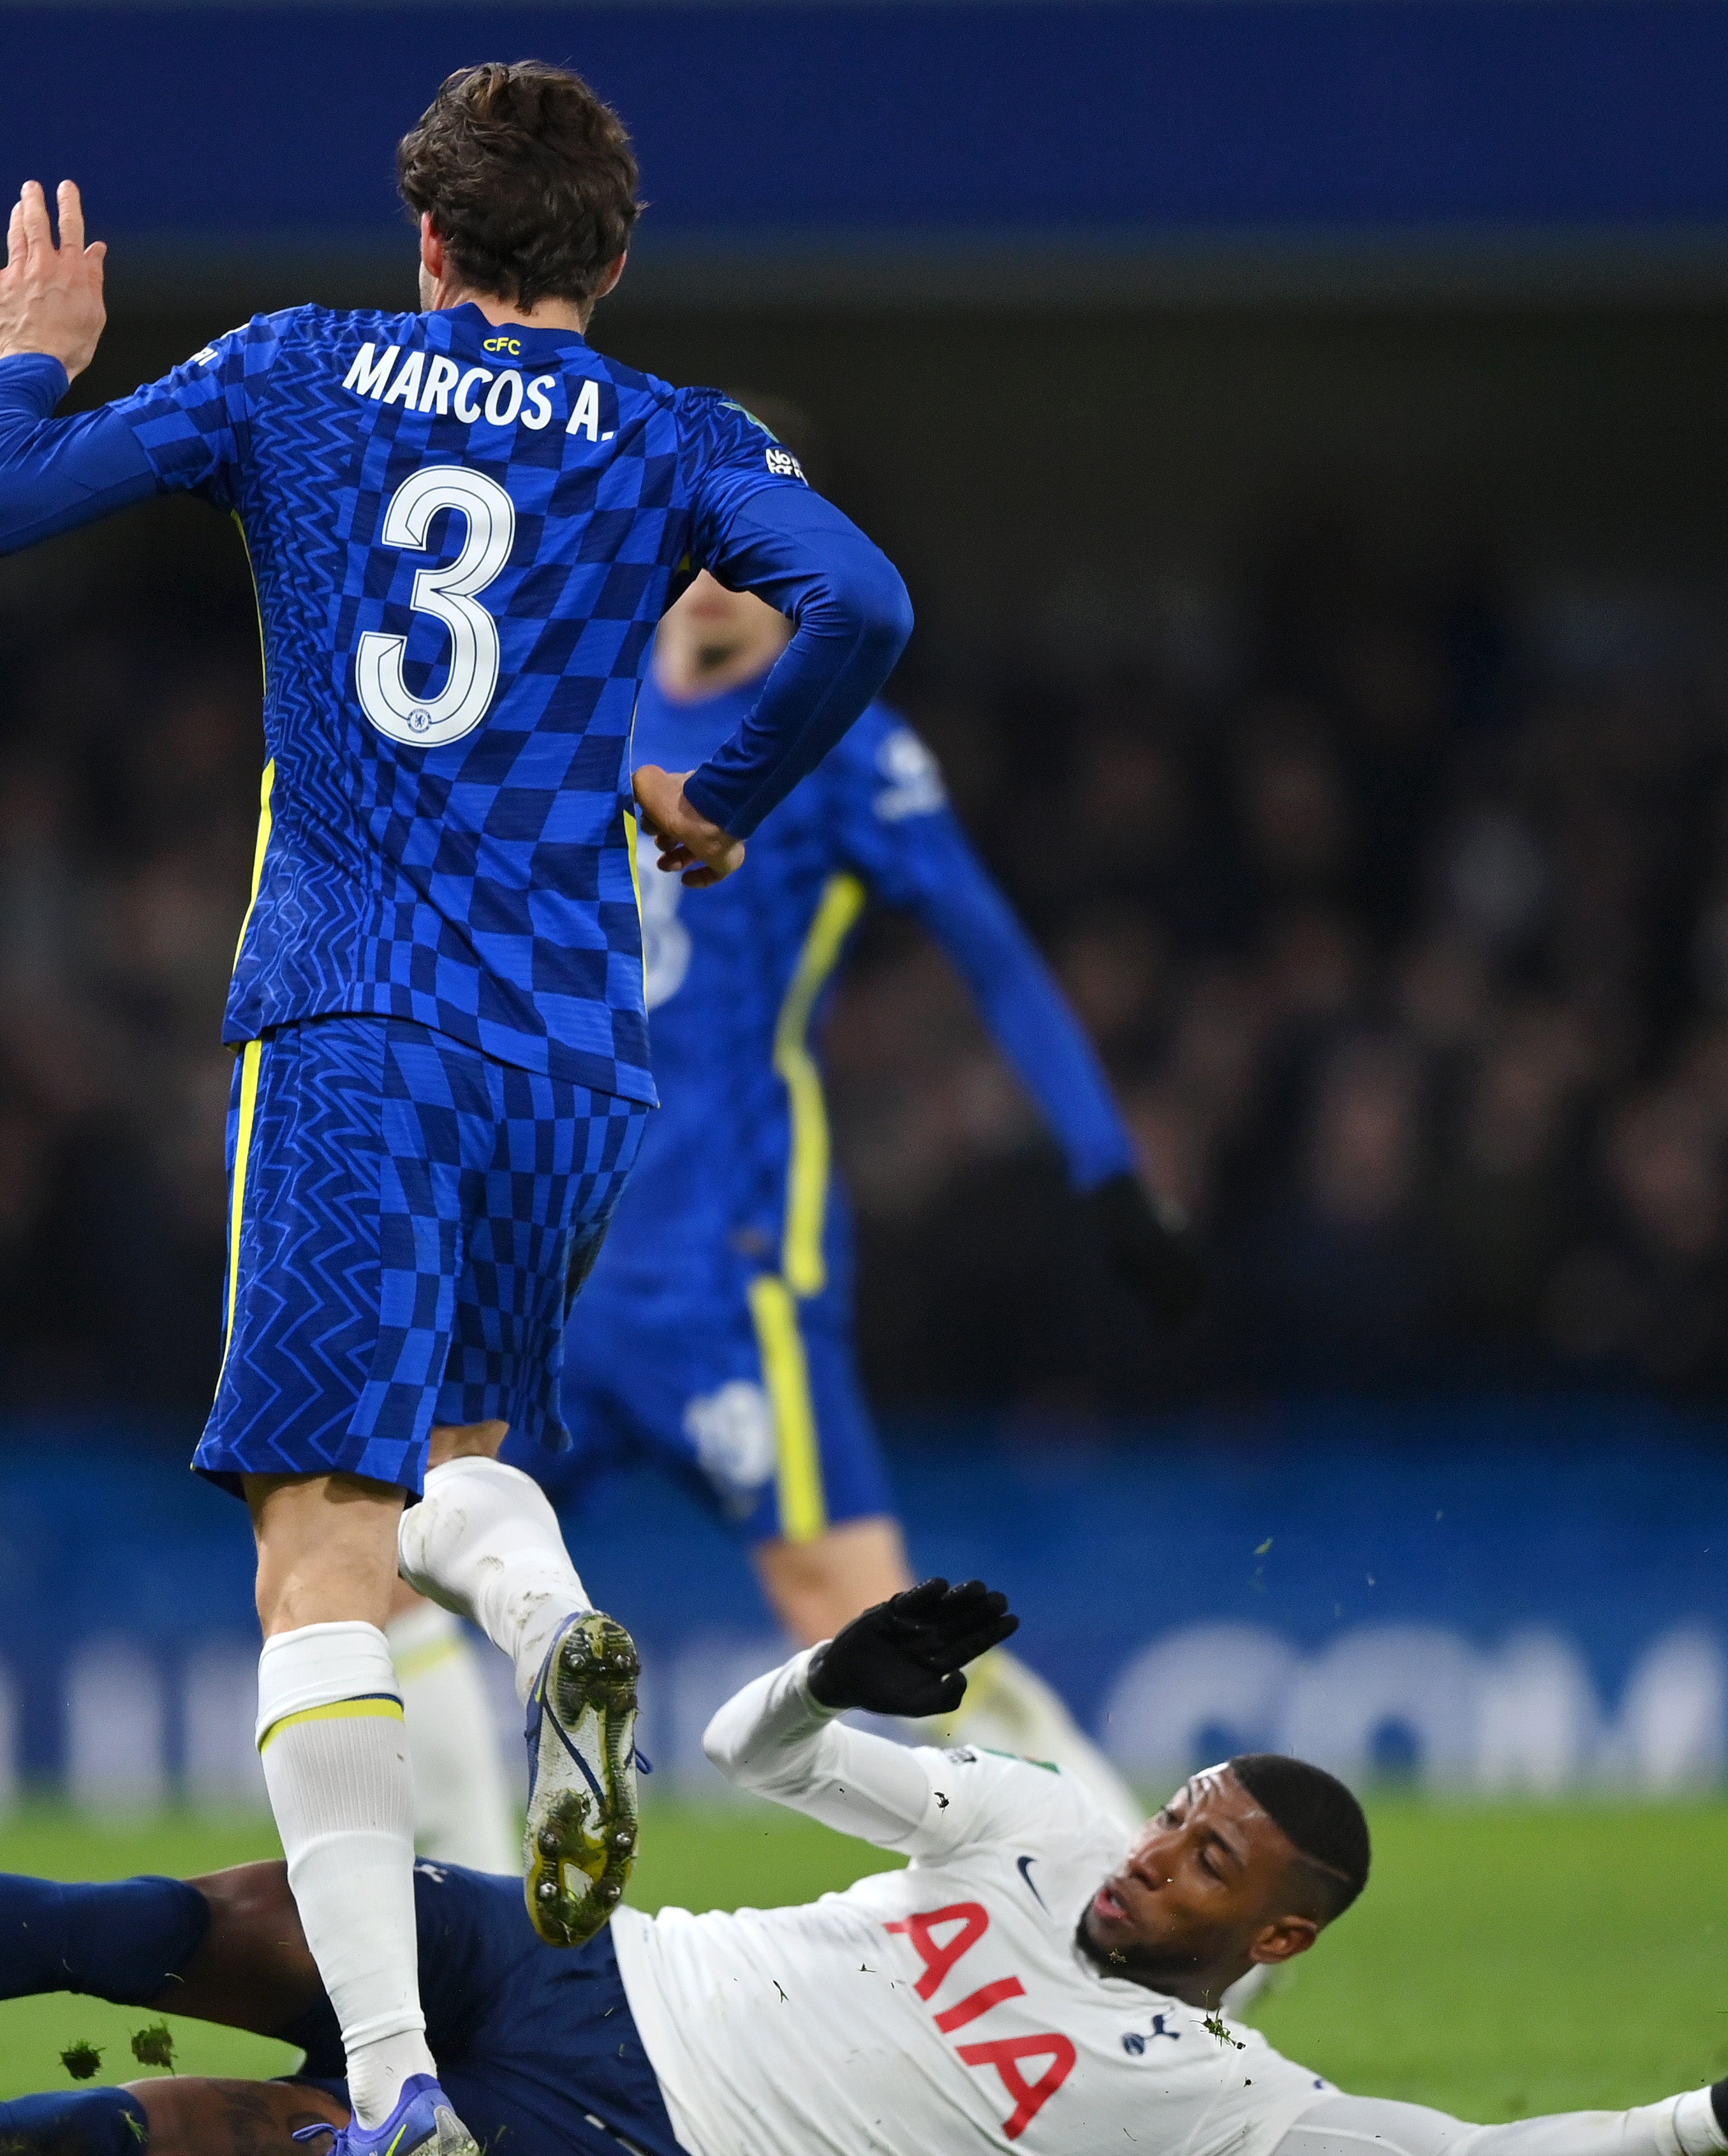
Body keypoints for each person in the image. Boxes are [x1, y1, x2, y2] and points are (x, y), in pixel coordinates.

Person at [0, 61, 912, 2156]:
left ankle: (390, 2082)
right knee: (460, 1455)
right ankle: (553, 1611)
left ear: (432, 243)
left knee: (316, 1545)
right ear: (615, 259)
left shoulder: (293, 366)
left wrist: (25, 363)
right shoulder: (672, 435)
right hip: (570, 1045)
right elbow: (867, 604)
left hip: (359, 1016)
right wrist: (723, 786)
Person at [0, 1583, 1728, 2156]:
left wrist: (1724, 2112)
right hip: (580, 1956)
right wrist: (839, 1679)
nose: (1154, 1858)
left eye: (1210, 1870)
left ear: (1271, 1938)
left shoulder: (1231, 2112)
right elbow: (739, 1759)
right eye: (1174, 1816)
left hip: (620, 2146)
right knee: (148, 1911)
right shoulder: (1029, 1822)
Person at [392, 529, 1204, 1862]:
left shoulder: (842, 744)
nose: (717, 581)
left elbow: (992, 956)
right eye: (697, 547)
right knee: (395, 1564)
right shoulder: (562, 699)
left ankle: (1144, 1891)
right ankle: (472, 1941)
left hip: (731, 1267)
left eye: (754, 562)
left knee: (858, 1607)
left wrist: (1107, 1167)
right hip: (540, 1262)